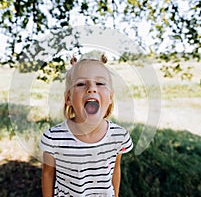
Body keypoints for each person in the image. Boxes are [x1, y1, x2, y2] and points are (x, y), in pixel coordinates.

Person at [40, 54, 133, 196]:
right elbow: (48, 174)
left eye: (100, 83)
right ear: (68, 98)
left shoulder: (119, 136)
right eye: (81, 84)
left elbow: (115, 170)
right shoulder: (53, 138)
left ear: (110, 97)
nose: (91, 89)